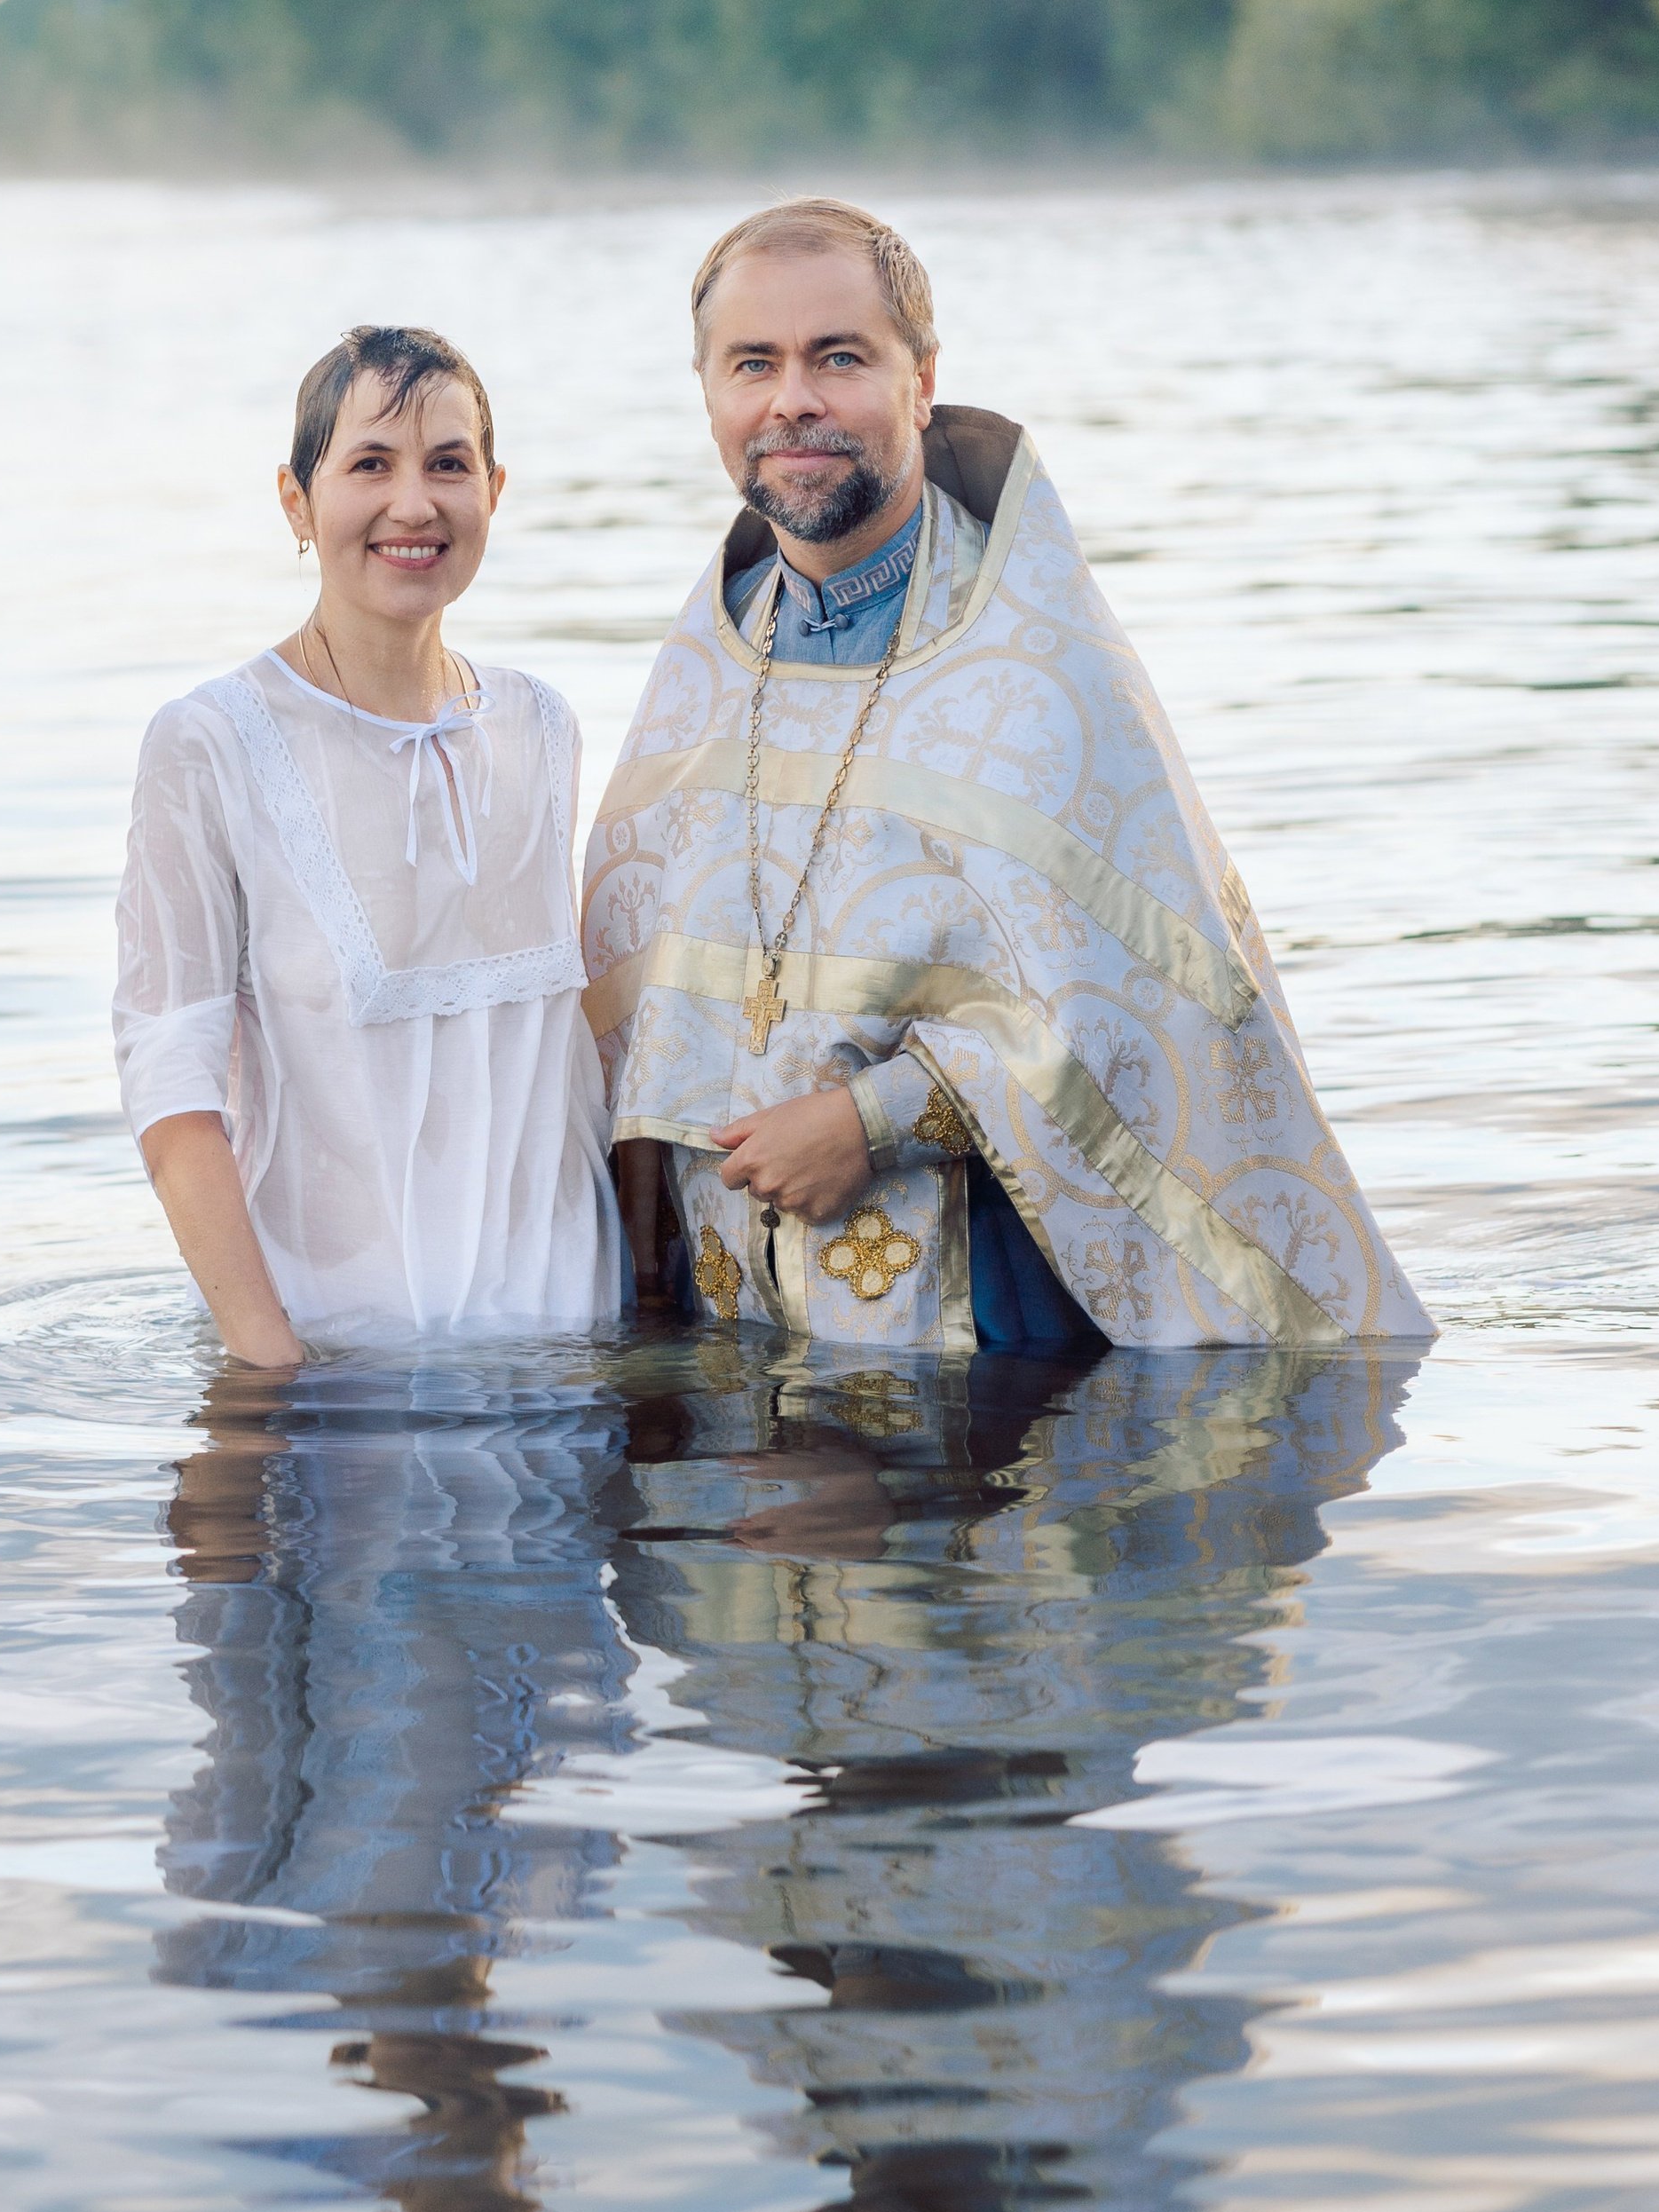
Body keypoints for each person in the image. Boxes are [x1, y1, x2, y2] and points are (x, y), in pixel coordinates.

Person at [584, 200, 1430, 1353]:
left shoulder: (1043, 674)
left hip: (995, 1327)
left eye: (840, 358)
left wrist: (870, 1120)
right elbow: (626, 1009)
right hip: (746, 1321)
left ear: (922, 383)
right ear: (709, 393)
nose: (794, 401)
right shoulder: (702, 671)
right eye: (754, 364)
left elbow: (1139, 1023)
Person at [115, 323, 624, 1361]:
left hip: (576, 1361)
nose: (413, 503)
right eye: (369, 465)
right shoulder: (210, 742)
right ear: (297, 503)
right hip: (339, 1368)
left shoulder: (542, 725)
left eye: (449, 465)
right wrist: (270, 1370)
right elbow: (171, 1087)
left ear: (495, 491)